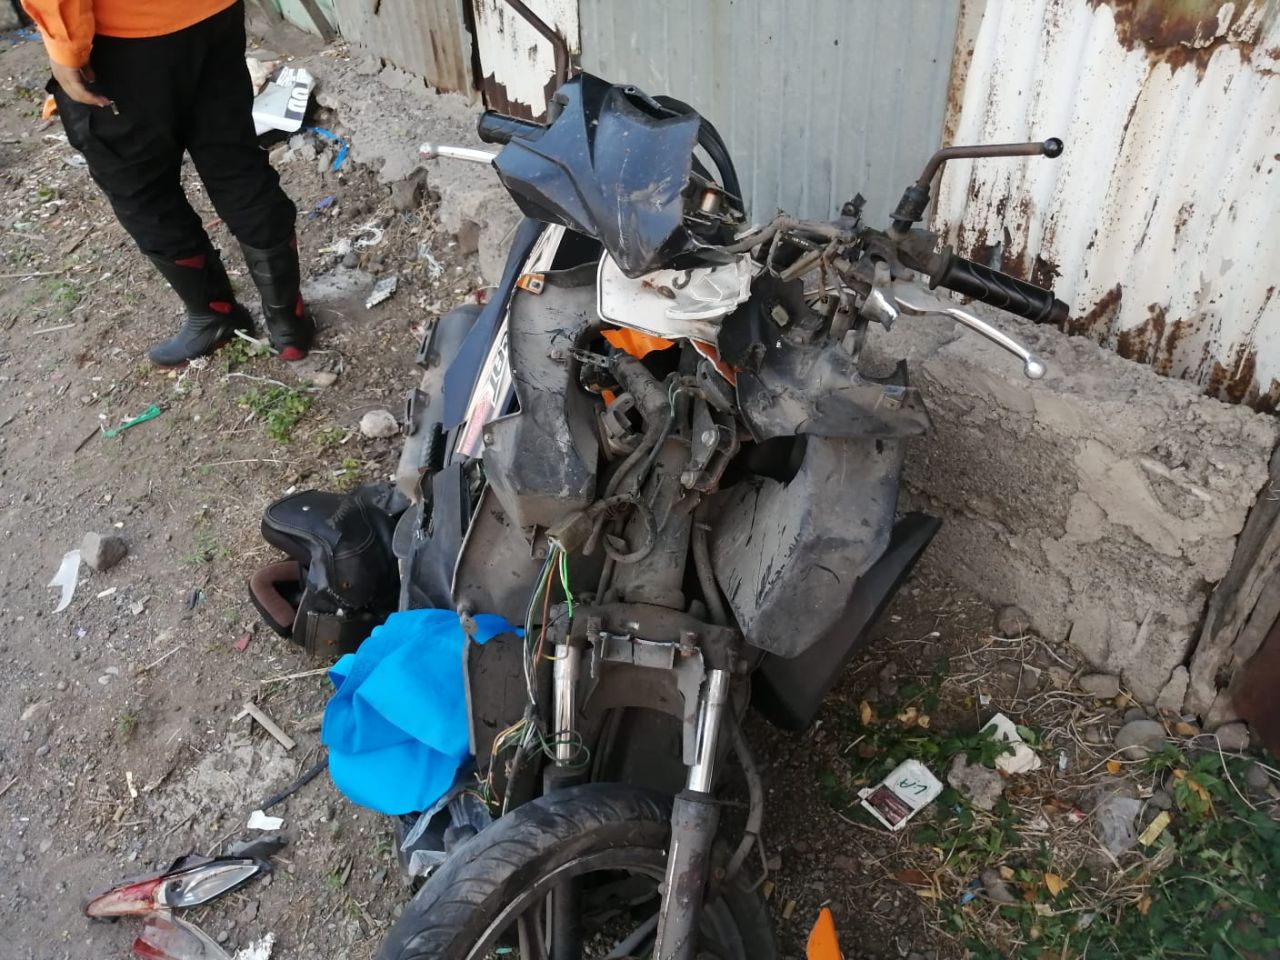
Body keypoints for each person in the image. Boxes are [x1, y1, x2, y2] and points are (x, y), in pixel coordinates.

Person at [21, 0, 314, 365]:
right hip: (212, 13)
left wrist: (66, 47)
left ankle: (215, 314)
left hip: (120, 36)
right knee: (234, 160)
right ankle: (288, 323)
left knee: (139, 188)